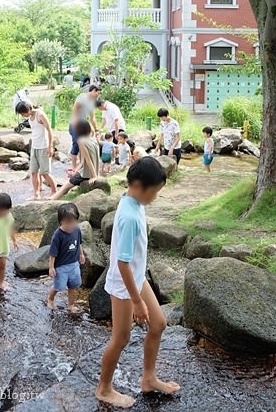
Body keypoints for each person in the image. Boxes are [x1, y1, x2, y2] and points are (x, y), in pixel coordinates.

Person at [96, 157, 179, 408]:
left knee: (159, 324)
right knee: (120, 339)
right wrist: (137, 301)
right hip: (124, 284)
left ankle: (149, 378)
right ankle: (104, 388)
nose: (155, 197)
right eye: (154, 192)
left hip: (136, 276)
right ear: (140, 186)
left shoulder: (133, 201)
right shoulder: (130, 216)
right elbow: (122, 264)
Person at [47, 202, 85, 312]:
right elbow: (52, 253)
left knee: (73, 285)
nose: (71, 225)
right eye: (67, 222)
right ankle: (50, 299)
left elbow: (79, 243)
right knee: (58, 286)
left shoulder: (77, 230)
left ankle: (71, 305)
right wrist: (51, 267)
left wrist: (81, 254)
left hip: (74, 264)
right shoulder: (58, 235)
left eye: (73, 221)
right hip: (61, 266)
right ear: (61, 221)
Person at [14, 101, 56, 199]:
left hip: (44, 147)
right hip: (35, 146)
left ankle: (54, 191)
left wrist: (50, 147)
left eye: (22, 113)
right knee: (34, 172)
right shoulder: (30, 117)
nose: (22, 115)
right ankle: (36, 194)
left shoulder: (40, 115)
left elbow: (50, 130)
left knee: (45, 173)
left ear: (28, 109)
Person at [50, 120, 100, 201]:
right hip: (91, 170)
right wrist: (75, 171)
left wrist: (94, 176)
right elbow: (83, 161)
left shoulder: (81, 141)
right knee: (69, 181)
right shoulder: (93, 139)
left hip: (86, 174)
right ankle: (53, 197)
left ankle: (51, 202)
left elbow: (88, 159)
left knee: (65, 188)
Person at [69, 85, 100, 170]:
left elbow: (92, 117)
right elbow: (74, 109)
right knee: (76, 144)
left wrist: (95, 129)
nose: (98, 95)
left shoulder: (93, 102)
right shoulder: (82, 97)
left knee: (84, 144)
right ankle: (74, 167)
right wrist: (75, 122)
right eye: (98, 92)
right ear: (93, 90)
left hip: (84, 126)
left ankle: (82, 165)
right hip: (75, 124)